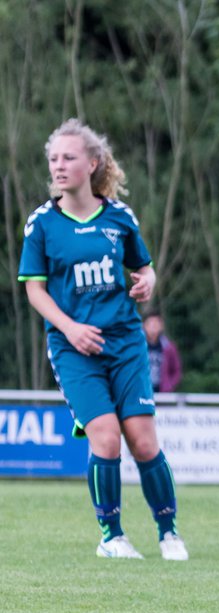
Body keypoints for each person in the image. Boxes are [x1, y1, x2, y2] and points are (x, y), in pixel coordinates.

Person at [19, 118, 188, 561]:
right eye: (53, 158)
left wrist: (146, 281)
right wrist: (70, 328)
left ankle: (168, 532)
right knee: (107, 438)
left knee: (143, 440)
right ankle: (111, 536)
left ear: (92, 163)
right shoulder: (41, 224)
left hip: (126, 342)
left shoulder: (118, 217)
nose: (58, 165)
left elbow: (143, 267)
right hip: (74, 350)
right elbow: (34, 289)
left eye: (68, 158)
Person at [143, 313, 182, 393]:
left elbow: (177, 370)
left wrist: (169, 385)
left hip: (163, 393)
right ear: (144, 326)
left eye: (156, 322)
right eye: (150, 323)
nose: (153, 325)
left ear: (161, 326)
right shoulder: (138, 347)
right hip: (142, 392)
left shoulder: (169, 347)